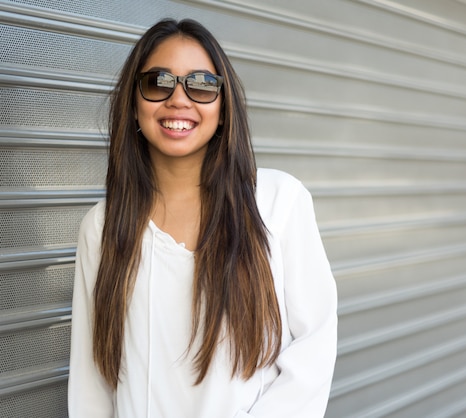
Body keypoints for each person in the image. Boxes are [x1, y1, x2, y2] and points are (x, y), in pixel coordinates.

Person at [67, 18, 337, 418]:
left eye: (201, 84)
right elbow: (92, 383)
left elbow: (314, 347)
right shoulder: (103, 227)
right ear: (134, 103)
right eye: (158, 82)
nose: (179, 100)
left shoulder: (279, 203)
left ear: (224, 107)